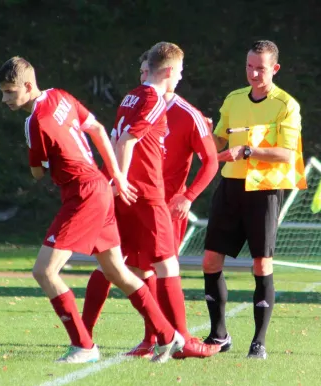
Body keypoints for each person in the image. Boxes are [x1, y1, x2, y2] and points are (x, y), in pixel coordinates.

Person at [0, 56, 184, 364]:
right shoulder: (60, 95)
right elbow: (96, 128)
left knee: (44, 271)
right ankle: (168, 334)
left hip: (82, 194)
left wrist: (48, 161)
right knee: (117, 271)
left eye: (10, 92)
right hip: (99, 186)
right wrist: (117, 175)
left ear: (28, 86)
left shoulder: (35, 121)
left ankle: (83, 345)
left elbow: (38, 173)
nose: (5, 99)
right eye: (3, 92)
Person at [80, 42, 219, 359]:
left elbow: (210, 160)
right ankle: (179, 340)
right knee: (163, 267)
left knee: (119, 267)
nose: (180, 78)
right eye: (179, 72)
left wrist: (188, 195)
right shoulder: (152, 98)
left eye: (145, 69)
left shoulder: (139, 99)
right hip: (146, 197)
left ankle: (100, 338)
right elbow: (126, 139)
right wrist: (122, 179)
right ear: (169, 71)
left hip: (138, 196)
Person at [201, 40, 305, 359]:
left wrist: (248, 151)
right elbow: (218, 137)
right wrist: (202, 133)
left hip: (264, 191)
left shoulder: (286, 104)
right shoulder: (233, 99)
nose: (253, 73)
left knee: (261, 265)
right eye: (249, 66)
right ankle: (218, 335)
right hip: (230, 186)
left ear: (274, 69)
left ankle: (259, 341)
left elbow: (288, 154)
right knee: (210, 260)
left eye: (260, 68)